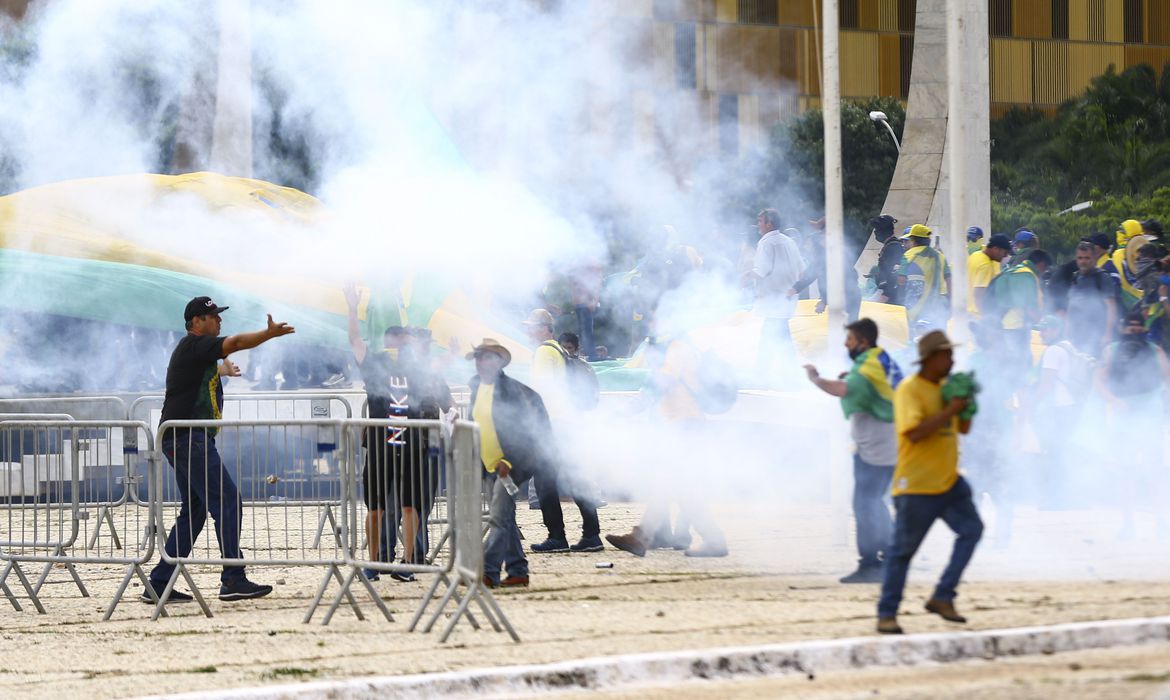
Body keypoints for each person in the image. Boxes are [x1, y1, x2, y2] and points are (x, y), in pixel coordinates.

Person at [144, 296, 295, 604]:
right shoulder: (194, 346)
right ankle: (233, 578)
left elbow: (198, 376)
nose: (219, 320)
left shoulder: (196, 353)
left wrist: (221, 371)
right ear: (196, 322)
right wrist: (267, 334)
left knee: (196, 511)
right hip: (188, 438)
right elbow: (237, 342)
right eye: (212, 316)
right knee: (227, 501)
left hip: (183, 438)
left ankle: (159, 583)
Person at [877, 330, 982, 634]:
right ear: (930, 358)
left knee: (972, 530)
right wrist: (951, 408)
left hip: (949, 481)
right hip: (917, 486)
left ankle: (943, 595)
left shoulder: (947, 388)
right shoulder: (911, 389)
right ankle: (887, 614)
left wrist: (967, 406)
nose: (951, 360)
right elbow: (913, 433)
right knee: (902, 553)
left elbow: (962, 429)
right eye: (946, 355)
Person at [344, 286, 453, 582]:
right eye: (396, 339)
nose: (399, 345)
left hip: (413, 445)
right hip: (381, 445)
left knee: (409, 505)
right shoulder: (375, 363)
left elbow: (437, 377)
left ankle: (407, 563)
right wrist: (353, 309)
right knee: (377, 507)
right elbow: (354, 340)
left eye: (403, 340)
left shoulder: (417, 368)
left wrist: (448, 354)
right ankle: (375, 562)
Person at [606, 336, 728, 557]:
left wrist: (627, 409)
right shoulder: (679, 347)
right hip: (684, 426)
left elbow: (661, 384)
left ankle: (642, 537)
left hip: (686, 426)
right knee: (677, 487)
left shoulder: (677, 347)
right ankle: (711, 539)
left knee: (669, 482)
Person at [803, 318, 903, 583]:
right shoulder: (878, 359)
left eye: (850, 339)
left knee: (865, 504)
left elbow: (842, 389)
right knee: (874, 501)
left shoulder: (868, 365)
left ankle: (870, 564)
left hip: (877, 444)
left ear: (863, 341)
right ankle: (894, 555)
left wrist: (815, 378)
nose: (846, 343)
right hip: (886, 440)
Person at [468, 339, 556, 587]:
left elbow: (522, 432)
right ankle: (518, 571)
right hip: (488, 465)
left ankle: (488, 572)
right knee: (505, 518)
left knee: (497, 518)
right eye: (478, 357)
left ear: (498, 361)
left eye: (485, 357)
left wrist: (508, 460)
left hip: (510, 465)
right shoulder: (477, 387)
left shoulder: (511, 391)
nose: (480, 362)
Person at [521, 309, 603, 553]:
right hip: (567, 422)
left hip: (553, 423)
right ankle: (591, 534)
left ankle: (557, 536)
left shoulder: (544, 351)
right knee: (576, 478)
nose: (528, 330)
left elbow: (541, 391)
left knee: (545, 482)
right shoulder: (559, 350)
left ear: (545, 328)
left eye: (532, 326)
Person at [1094, 312, 1170, 540]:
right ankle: (1128, 524)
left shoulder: (1154, 351)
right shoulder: (1112, 350)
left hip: (1150, 415)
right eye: (1130, 327)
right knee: (1124, 472)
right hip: (1124, 416)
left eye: (1138, 326)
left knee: (1154, 471)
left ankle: (1161, 524)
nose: (1134, 330)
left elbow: (1167, 378)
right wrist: (1113, 400)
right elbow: (1098, 378)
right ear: (1123, 328)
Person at [744, 208, 804, 384]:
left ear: (769, 224)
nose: (758, 225)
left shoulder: (766, 243)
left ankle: (762, 377)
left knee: (770, 339)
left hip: (773, 300)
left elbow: (760, 271)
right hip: (787, 298)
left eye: (760, 221)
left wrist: (744, 277)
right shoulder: (789, 242)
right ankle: (789, 377)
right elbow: (801, 270)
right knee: (779, 338)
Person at [1067, 241, 1121, 358]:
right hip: (1078, 335)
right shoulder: (1075, 277)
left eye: (1087, 258)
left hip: (1097, 335)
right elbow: (1071, 305)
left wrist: (1108, 333)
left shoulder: (1102, 277)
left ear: (1094, 258)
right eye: (1080, 258)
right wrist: (1068, 330)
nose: (1083, 261)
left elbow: (1111, 307)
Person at [896, 224, 951, 332]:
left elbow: (901, 281)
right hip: (939, 303)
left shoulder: (908, 255)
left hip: (917, 304)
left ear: (913, 240)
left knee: (916, 336)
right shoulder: (940, 256)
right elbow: (949, 280)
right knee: (938, 336)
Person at [967, 233, 1010, 318]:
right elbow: (979, 294)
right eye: (1005, 252)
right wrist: (985, 320)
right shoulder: (985, 265)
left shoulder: (975, 255)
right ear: (995, 249)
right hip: (979, 316)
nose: (1006, 256)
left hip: (970, 311)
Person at [870, 214, 902, 304]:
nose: (875, 232)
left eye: (877, 229)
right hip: (886, 293)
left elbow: (894, 273)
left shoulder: (893, 247)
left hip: (891, 298)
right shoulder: (890, 246)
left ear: (882, 231)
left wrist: (886, 295)